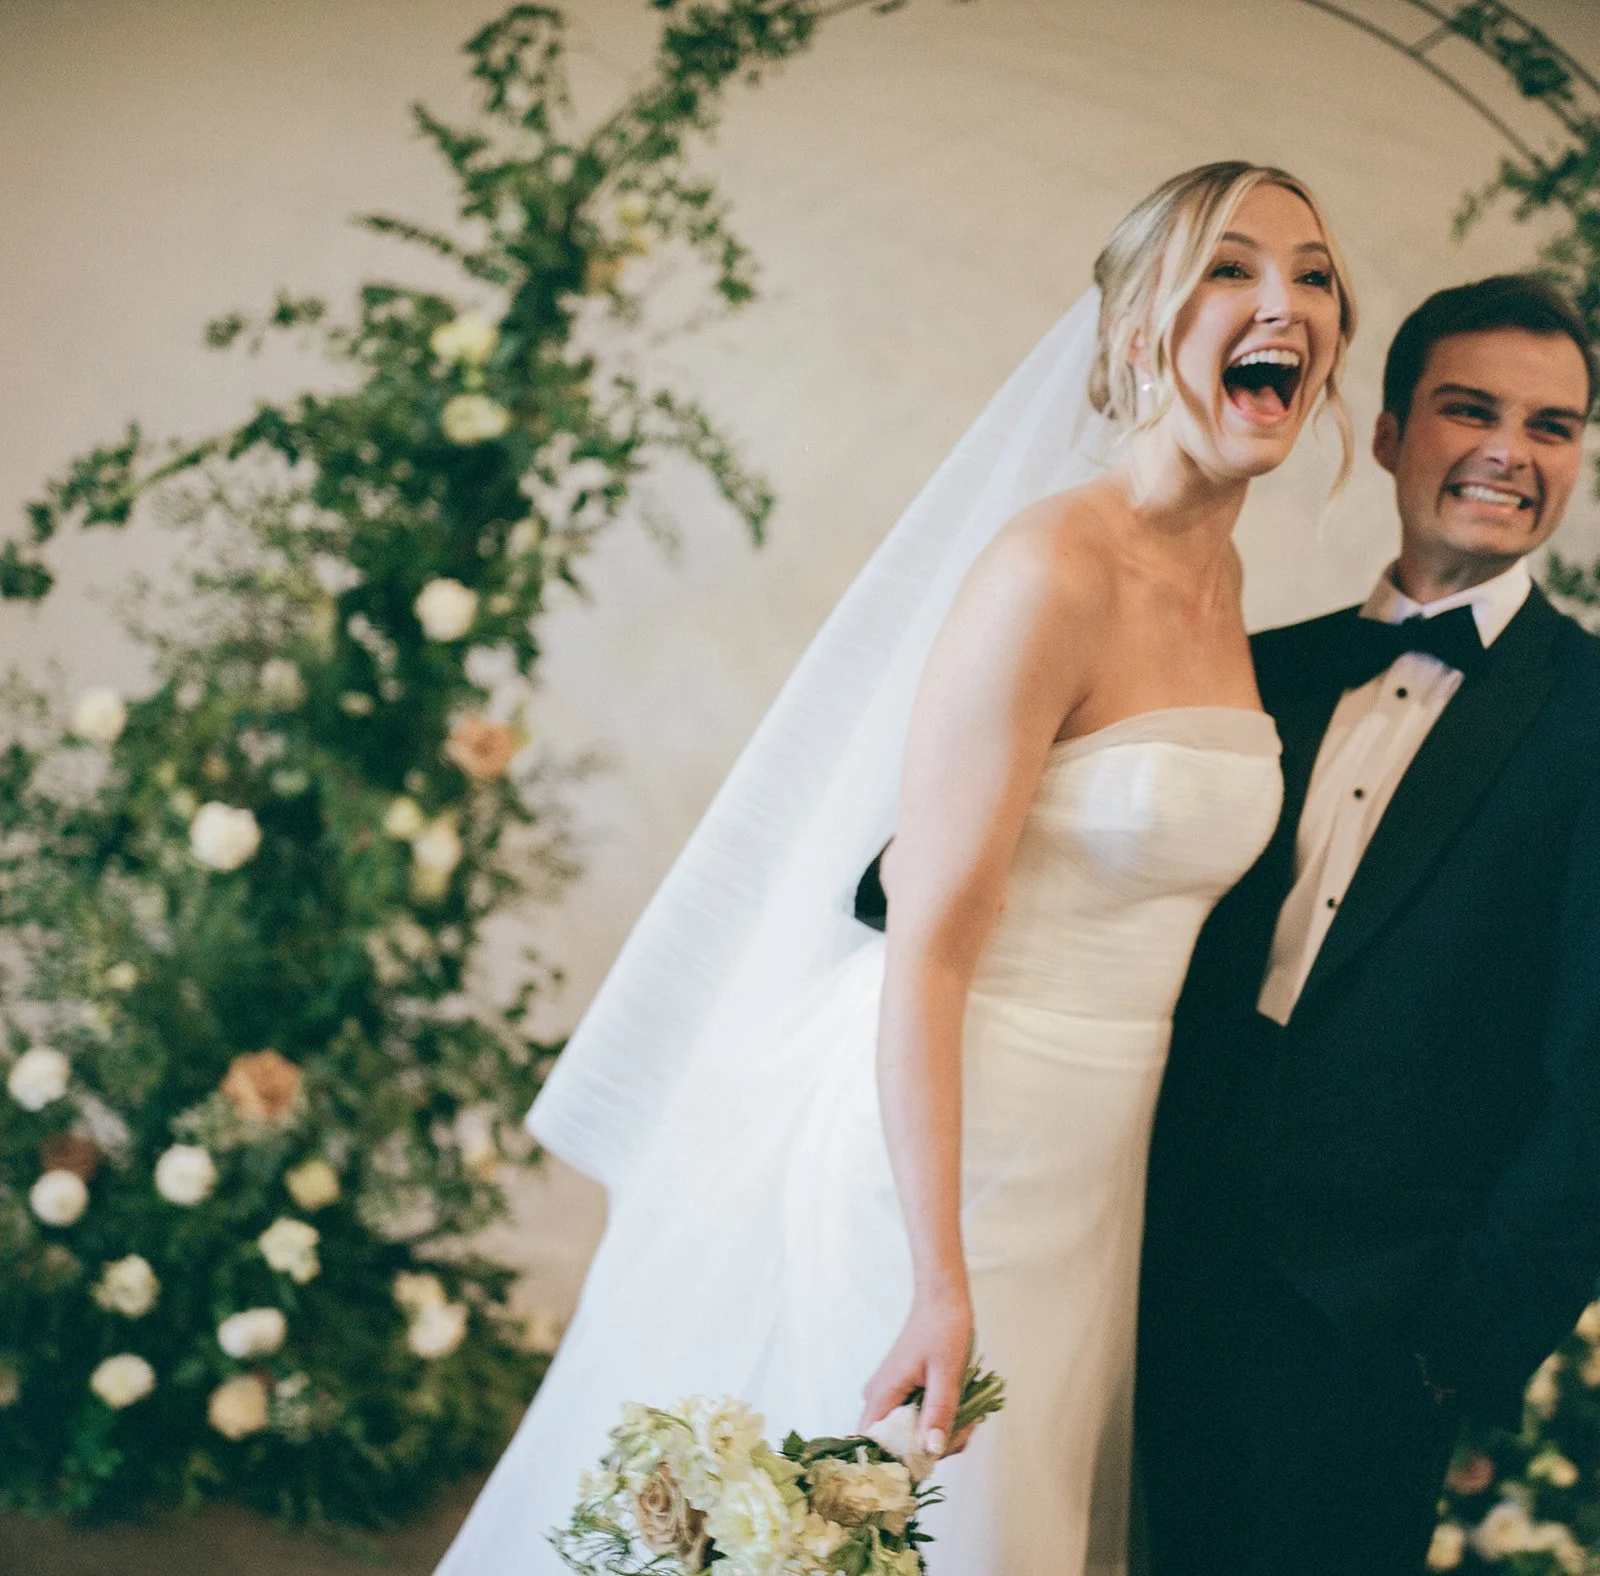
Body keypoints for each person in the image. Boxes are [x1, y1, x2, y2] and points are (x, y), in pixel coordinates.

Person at [435, 161, 1354, 1576]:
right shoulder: (1054, 569)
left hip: (1091, 1165)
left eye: (1312, 273)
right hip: (941, 1149)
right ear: (1131, 334)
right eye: (1231, 267)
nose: (1282, 300)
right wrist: (935, 1279)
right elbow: (927, 942)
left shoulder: (1228, 591)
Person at [1136, 273, 1600, 1576]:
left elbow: (1594, 1088)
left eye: (1553, 426)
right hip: (1144, 1269)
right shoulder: (1253, 665)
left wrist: (1457, 1345)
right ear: (1393, 434)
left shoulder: (1591, 721)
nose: (1510, 450)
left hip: (1374, 1336)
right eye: (1471, 410)